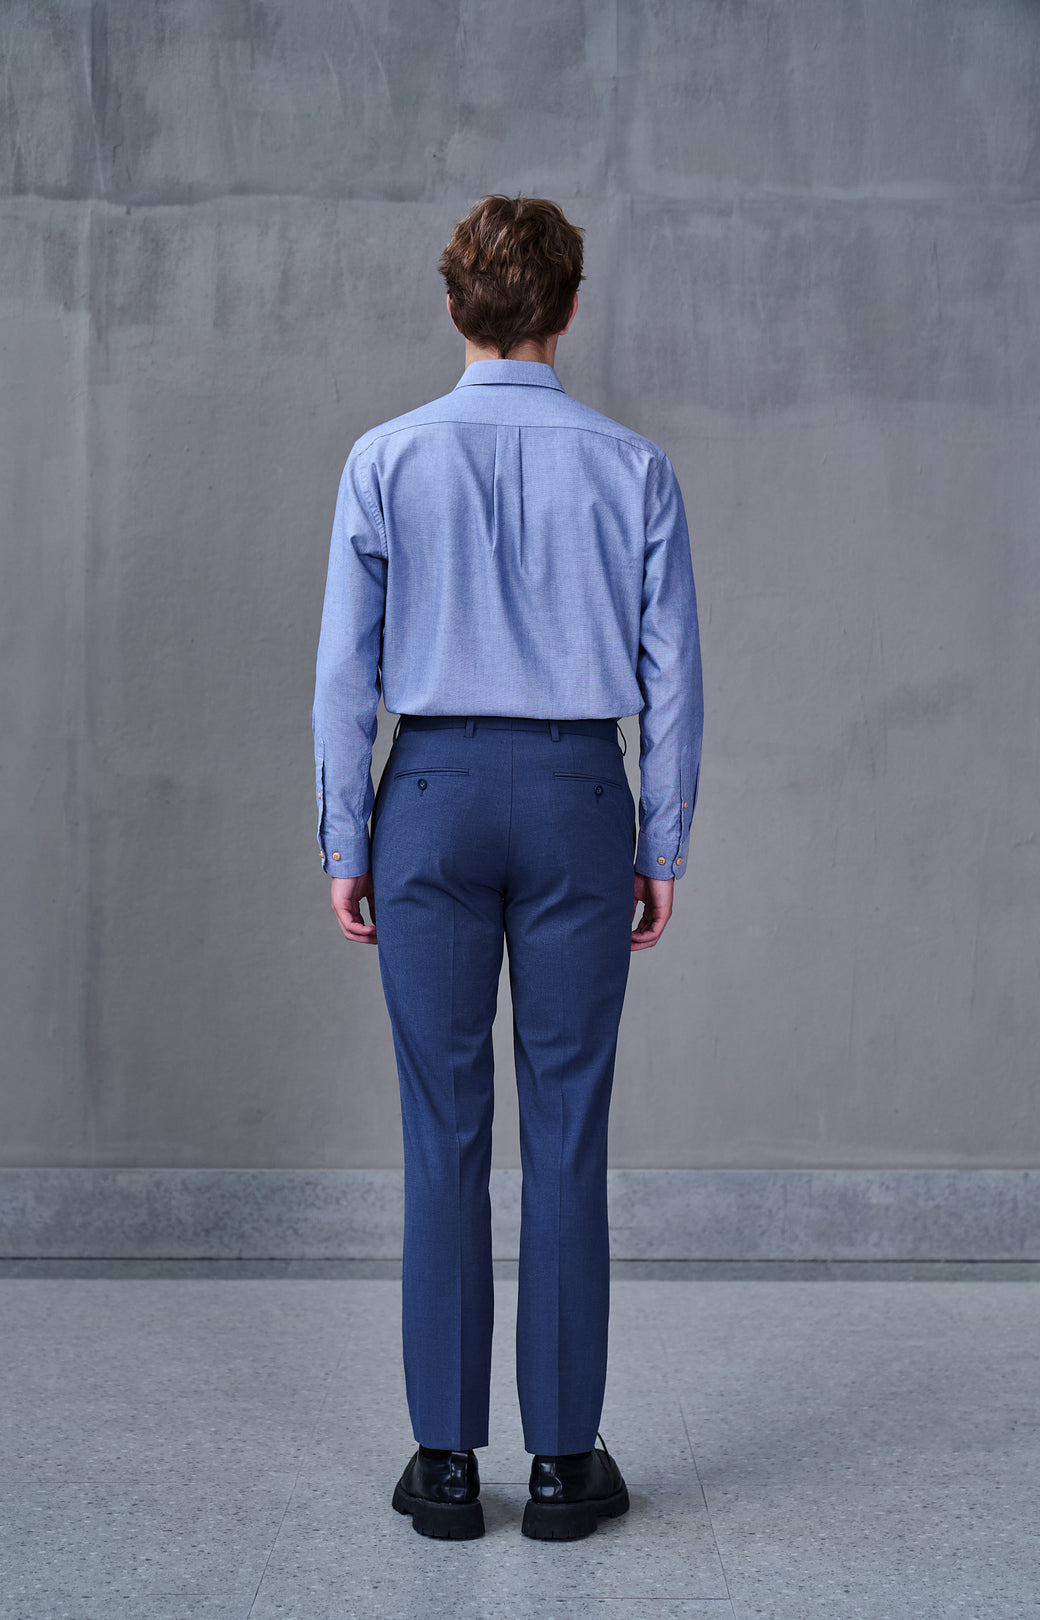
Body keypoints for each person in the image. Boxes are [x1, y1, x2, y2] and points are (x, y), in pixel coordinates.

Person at [311, 195, 703, 1542]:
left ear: (452, 307)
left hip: (428, 798)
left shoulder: (385, 458)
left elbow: (344, 675)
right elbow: (672, 677)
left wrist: (347, 840)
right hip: (580, 797)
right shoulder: (635, 467)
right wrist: (661, 841)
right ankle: (561, 1469)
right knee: (569, 1128)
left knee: (443, 1129)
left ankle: (441, 1467)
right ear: (570, 310)